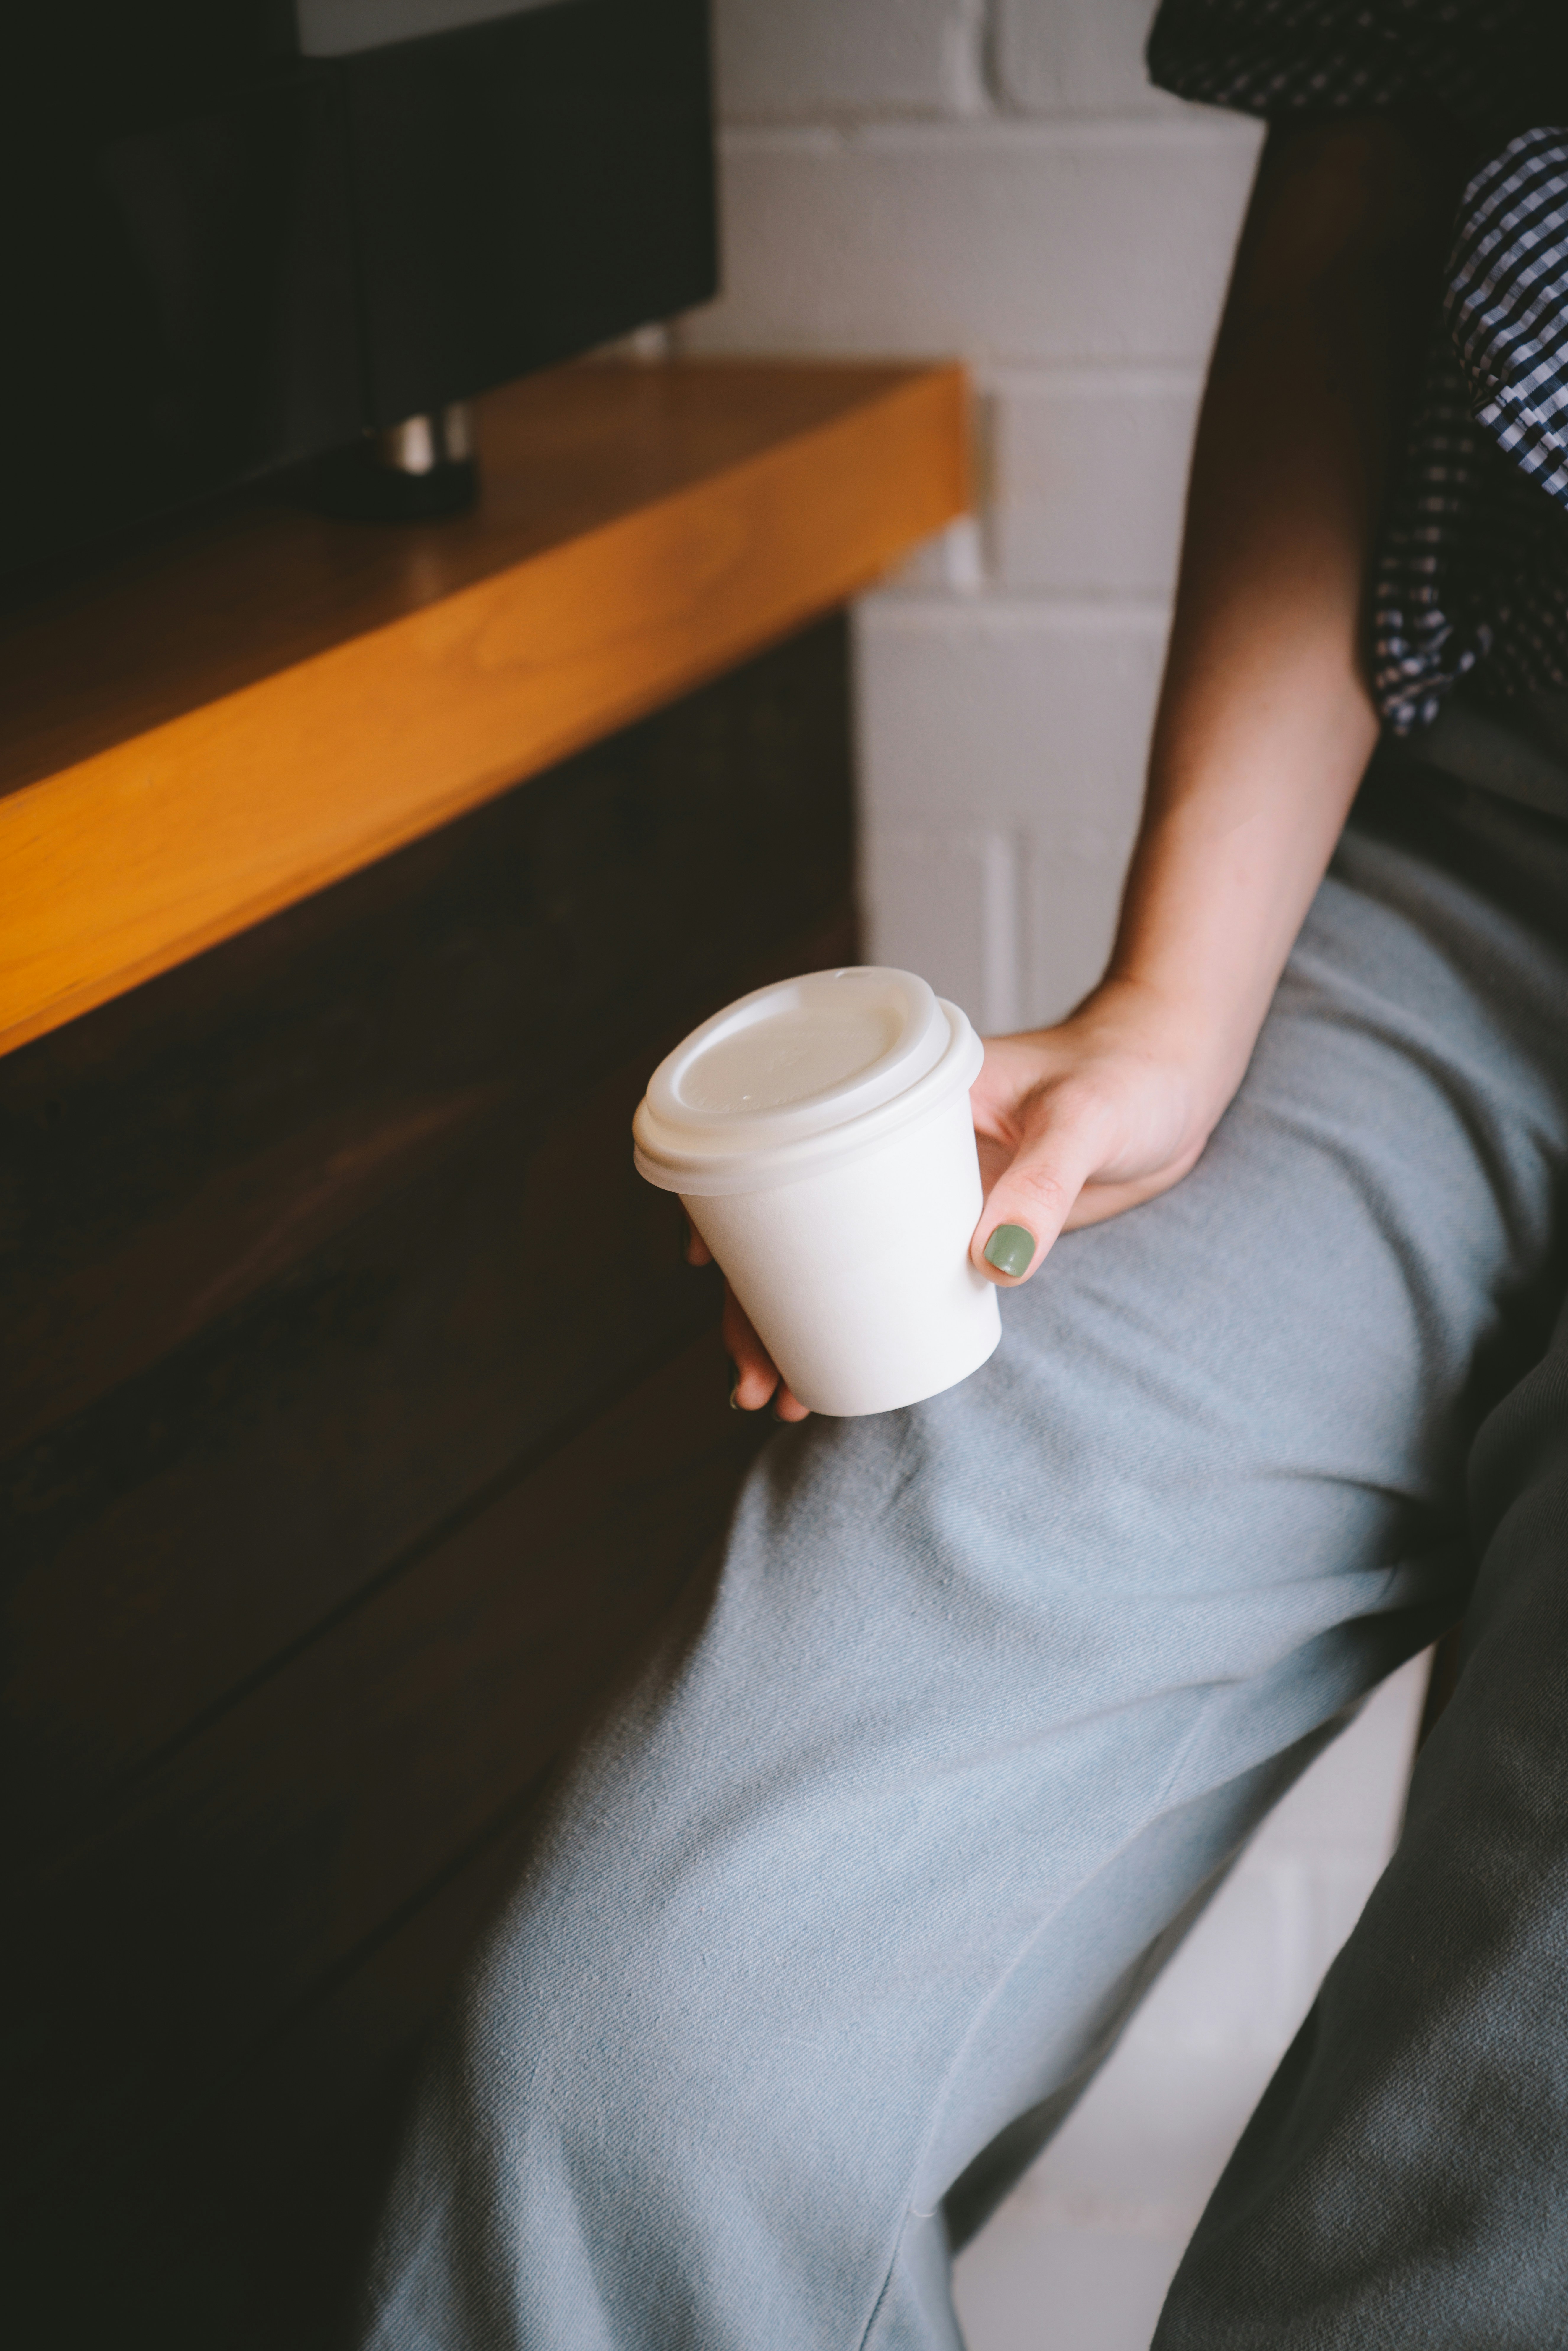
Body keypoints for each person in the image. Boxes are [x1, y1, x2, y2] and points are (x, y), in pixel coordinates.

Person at [359, 4, 1568, 2342]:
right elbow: (1364, 185)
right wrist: (1175, 1009)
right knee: (653, 2048)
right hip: (1474, 847)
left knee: (1474, 2214)